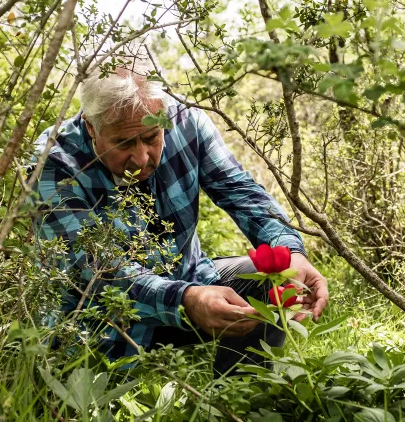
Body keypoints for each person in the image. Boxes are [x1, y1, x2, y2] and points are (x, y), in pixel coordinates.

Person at [30, 60, 328, 376]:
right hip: (100, 321)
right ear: (91, 127)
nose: (141, 158)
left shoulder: (186, 122)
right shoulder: (53, 163)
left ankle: (245, 394)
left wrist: (290, 252)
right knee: (77, 394)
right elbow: (95, 271)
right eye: (124, 143)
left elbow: (241, 192)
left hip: (192, 282)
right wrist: (185, 299)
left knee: (270, 277)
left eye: (151, 138)